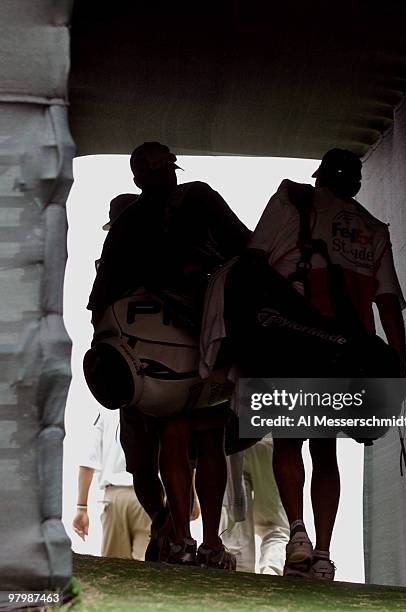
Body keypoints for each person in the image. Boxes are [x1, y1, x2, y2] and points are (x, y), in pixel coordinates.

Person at [247, 148, 406, 580]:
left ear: (320, 177)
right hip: (348, 351)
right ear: (355, 183)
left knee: (287, 442)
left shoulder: (292, 201)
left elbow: (253, 262)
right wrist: (400, 366)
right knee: (325, 448)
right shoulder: (373, 228)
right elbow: (388, 301)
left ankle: (297, 533)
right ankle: (322, 553)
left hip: (293, 341)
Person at [87, 142, 250, 568]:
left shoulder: (128, 223)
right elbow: (248, 249)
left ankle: (181, 536)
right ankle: (207, 541)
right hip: (207, 337)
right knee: (208, 436)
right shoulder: (199, 198)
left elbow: (100, 303)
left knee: (174, 435)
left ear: (137, 178)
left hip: (159, 354)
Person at [72, 409, 151, 560]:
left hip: (115, 497)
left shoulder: (104, 412)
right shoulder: (154, 405)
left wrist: (81, 508)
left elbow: (87, 464)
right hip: (150, 495)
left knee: (115, 567)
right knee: (147, 564)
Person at [220, 436, 289, 575]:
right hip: (266, 438)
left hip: (231, 442)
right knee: (274, 526)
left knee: (236, 526)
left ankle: (241, 576)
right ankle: (271, 572)